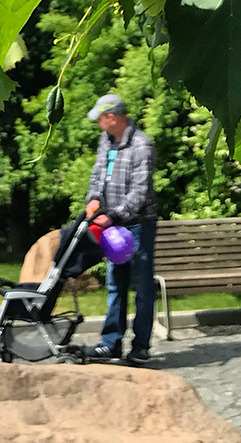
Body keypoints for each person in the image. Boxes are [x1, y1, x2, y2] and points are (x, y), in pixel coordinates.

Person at [83, 93, 158, 365]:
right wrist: (93, 199)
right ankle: (110, 343)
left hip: (137, 225)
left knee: (142, 287)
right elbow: (97, 175)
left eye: (100, 119)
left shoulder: (142, 146)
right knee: (115, 284)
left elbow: (140, 192)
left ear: (112, 118)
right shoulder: (106, 142)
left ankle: (141, 347)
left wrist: (112, 215)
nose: (99, 125)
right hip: (112, 226)